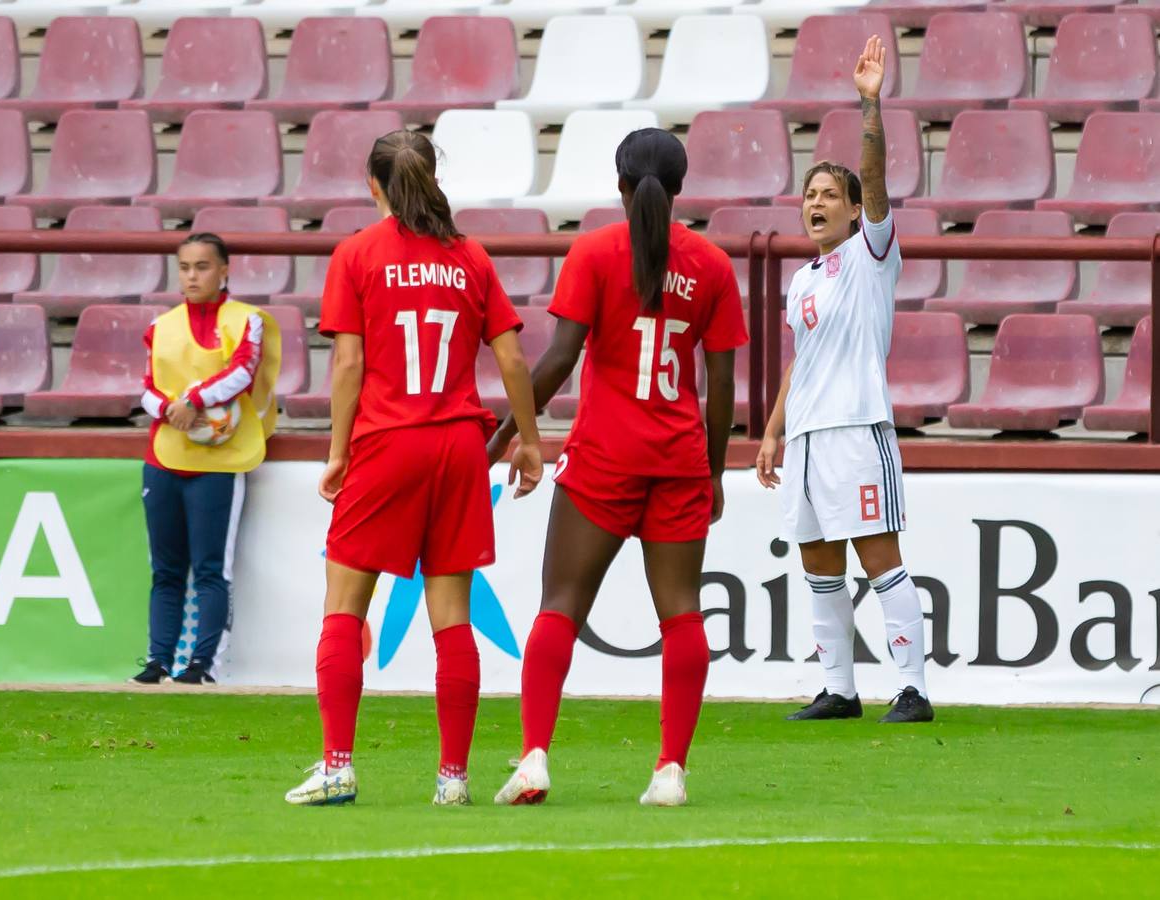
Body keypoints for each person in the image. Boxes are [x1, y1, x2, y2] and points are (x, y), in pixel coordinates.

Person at [285, 130, 544, 808]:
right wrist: (529, 441)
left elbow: (347, 364)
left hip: (386, 443)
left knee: (344, 605)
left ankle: (338, 765)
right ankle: (452, 780)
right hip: (458, 447)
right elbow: (513, 361)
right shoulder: (471, 259)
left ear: (374, 187)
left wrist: (338, 451)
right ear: (432, 177)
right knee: (452, 617)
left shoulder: (356, 255)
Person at [491, 128, 748, 808]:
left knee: (560, 607)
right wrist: (715, 471)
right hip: (678, 461)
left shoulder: (595, 251)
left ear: (619, 185)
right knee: (682, 615)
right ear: (682, 188)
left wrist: (505, 436)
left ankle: (535, 759)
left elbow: (556, 361)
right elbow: (720, 386)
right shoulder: (713, 267)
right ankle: (668, 771)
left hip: (604, 458)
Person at [756, 36, 934, 724]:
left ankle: (912, 687)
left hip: (858, 429)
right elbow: (801, 358)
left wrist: (869, 105)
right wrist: (771, 432)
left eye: (830, 195)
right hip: (803, 438)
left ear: (856, 211)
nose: (816, 203)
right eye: (809, 195)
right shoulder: (801, 279)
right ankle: (839, 689)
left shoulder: (870, 255)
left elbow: (876, 174)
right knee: (818, 568)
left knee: (880, 560)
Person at [131, 233, 281, 687]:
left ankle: (202, 664)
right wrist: (167, 409)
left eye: (202, 266)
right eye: (185, 267)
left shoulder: (247, 320)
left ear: (224, 271)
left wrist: (193, 399)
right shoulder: (162, 326)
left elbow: (243, 369)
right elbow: (146, 387)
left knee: (213, 568)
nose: (192, 276)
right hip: (165, 456)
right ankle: (158, 660)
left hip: (220, 463)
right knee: (167, 568)